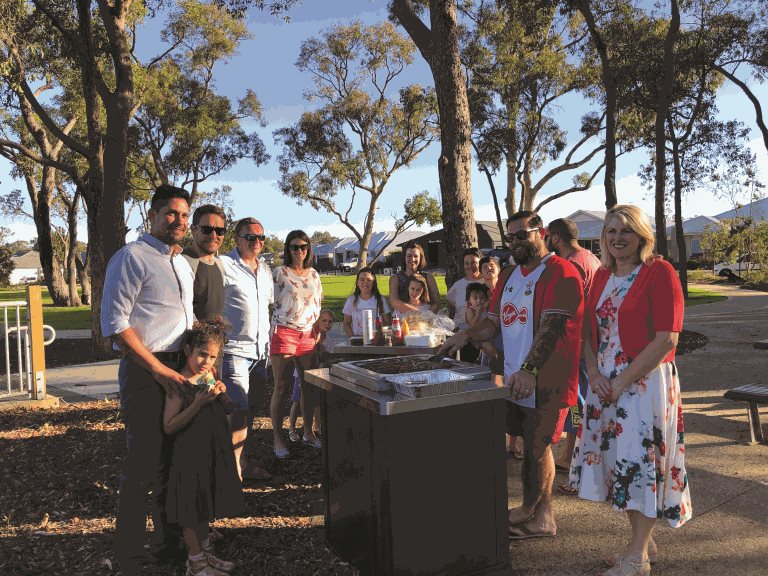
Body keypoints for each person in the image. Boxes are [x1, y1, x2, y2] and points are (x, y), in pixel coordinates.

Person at [439, 210, 583, 541]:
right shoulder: (508, 275)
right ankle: (540, 514)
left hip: (547, 379)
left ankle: (537, 515)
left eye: (522, 235)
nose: (515, 242)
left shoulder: (562, 273)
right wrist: (468, 334)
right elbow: (494, 321)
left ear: (542, 232)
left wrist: (530, 370)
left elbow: (551, 329)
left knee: (536, 447)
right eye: (510, 237)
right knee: (533, 448)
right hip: (514, 377)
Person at [566, 205, 692, 576]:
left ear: (641, 235)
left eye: (625, 231)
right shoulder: (602, 275)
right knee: (620, 462)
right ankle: (642, 543)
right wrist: (594, 372)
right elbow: (588, 330)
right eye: (610, 231)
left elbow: (667, 336)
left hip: (644, 383)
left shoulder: (659, 272)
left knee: (641, 465)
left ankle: (636, 558)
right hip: (605, 382)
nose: (617, 238)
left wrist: (621, 382)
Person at [101, 184, 194, 574]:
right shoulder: (131, 258)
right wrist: (157, 369)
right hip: (146, 371)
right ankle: (129, 559)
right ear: (152, 215)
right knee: (142, 468)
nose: (179, 221)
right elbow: (115, 324)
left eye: (185, 215)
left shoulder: (182, 263)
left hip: (181, 369)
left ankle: (166, 547)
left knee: (174, 466)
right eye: (171, 213)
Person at [164, 319, 243, 576]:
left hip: (212, 450)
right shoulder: (179, 384)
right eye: (201, 354)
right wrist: (196, 405)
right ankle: (195, 561)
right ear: (188, 350)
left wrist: (222, 392)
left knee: (204, 502)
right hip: (189, 455)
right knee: (191, 507)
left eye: (212, 357)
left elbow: (229, 408)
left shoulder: (209, 376)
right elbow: (169, 425)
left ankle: (207, 554)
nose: (206, 362)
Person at [545, 218, 602, 473]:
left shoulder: (572, 265)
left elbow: (566, 308)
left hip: (576, 343)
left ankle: (571, 455)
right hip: (589, 342)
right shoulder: (591, 258)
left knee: (576, 403)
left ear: (555, 238)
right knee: (583, 400)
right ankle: (575, 452)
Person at [220, 217, 273, 482]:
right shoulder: (224, 265)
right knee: (236, 410)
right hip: (234, 351)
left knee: (250, 411)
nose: (257, 242)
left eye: (261, 237)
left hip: (260, 353)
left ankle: (242, 461)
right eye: (250, 237)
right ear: (237, 239)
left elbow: (268, 307)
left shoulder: (264, 270)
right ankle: (231, 475)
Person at [270, 230, 324, 457]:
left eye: (303, 246)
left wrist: (317, 327)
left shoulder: (313, 274)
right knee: (281, 387)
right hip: (284, 332)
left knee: (308, 385)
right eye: (294, 247)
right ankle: (278, 438)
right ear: (288, 249)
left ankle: (308, 432)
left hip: (308, 335)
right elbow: (269, 301)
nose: (299, 251)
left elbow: (318, 302)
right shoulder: (279, 273)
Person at [480, 255, 522, 459]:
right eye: (485, 267)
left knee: (512, 397)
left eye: (492, 266)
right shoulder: (478, 294)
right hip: (491, 352)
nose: (489, 269)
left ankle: (513, 443)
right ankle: (496, 440)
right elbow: (475, 323)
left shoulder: (510, 292)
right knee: (494, 398)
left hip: (509, 351)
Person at [288, 309, 334, 442]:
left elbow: (328, 358)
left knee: (317, 401)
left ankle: (317, 426)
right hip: (301, 374)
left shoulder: (329, 340)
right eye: (324, 320)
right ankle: (292, 428)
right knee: (297, 401)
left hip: (318, 374)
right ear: (317, 321)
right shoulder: (310, 335)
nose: (327, 324)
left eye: (330, 322)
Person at [181, 205, 227, 322]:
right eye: (207, 229)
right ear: (193, 229)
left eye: (219, 231)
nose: (214, 235)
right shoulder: (181, 262)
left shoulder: (219, 264)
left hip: (216, 338)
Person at [446, 248, 483, 362]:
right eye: (466, 263)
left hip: (481, 334)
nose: (470, 266)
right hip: (461, 334)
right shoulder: (458, 285)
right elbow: (452, 308)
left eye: (473, 262)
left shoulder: (486, 282)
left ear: (480, 263)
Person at [389, 241, 440, 314]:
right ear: (404, 257)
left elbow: (437, 302)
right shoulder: (395, 278)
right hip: (403, 319)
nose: (412, 259)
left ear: (420, 258)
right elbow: (394, 302)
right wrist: (419, 315)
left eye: (416, 256)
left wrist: (427, 317)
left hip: (426, 320)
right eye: (409, 256)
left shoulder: (428, 277)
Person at [342, 267, 392, 336]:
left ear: (373, 283)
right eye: (362, 280)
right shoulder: (351, 300)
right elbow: (346, 324)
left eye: (368, 280)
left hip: (376, 341)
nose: (365, 283)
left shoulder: (381, 300)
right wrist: (353, 338)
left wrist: (379, 335)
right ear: (357, 283)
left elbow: (387, 323)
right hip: (357, 340)